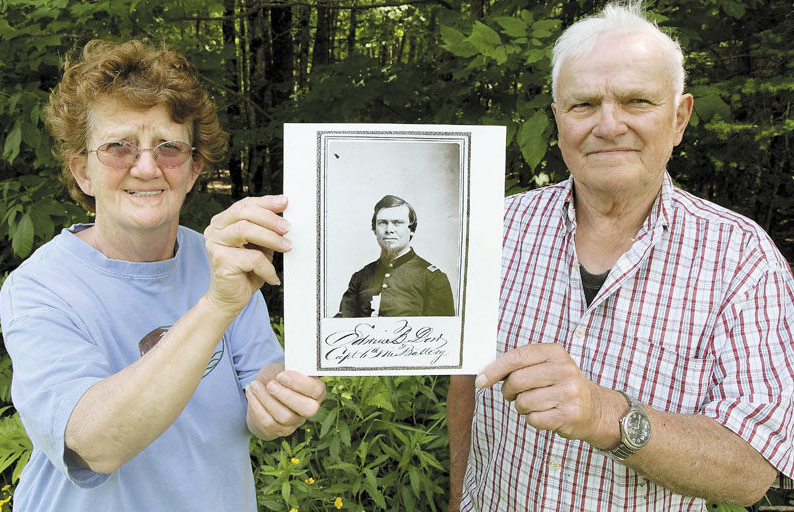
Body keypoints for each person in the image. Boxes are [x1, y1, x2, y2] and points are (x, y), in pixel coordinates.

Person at [448, 3, 794, 511]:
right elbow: (465, 382)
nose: (608, 126)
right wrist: (461, 498)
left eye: (636, 101)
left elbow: (756, 470)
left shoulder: (743, 261)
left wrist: (605, 416)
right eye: (583, 105)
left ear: (679, 118)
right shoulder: (494, 228)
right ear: (558, 120)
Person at [0, 40, 325, 511]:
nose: (147, 167)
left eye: (169, 148)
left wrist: (277, 404)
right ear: (83, 172)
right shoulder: (40, 287)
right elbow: (95, 444)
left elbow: (257, 388)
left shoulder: (222, 258)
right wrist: (217, 306)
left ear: (193, 170)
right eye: (118, 148)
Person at [335, 194, 455, 317]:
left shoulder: (432, 278)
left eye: (397, 223)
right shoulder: (360, 277)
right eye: (382, 223)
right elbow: (341, 329)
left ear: (412, 229)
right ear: (375, 230)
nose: (389, 229)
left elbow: (442, 332)